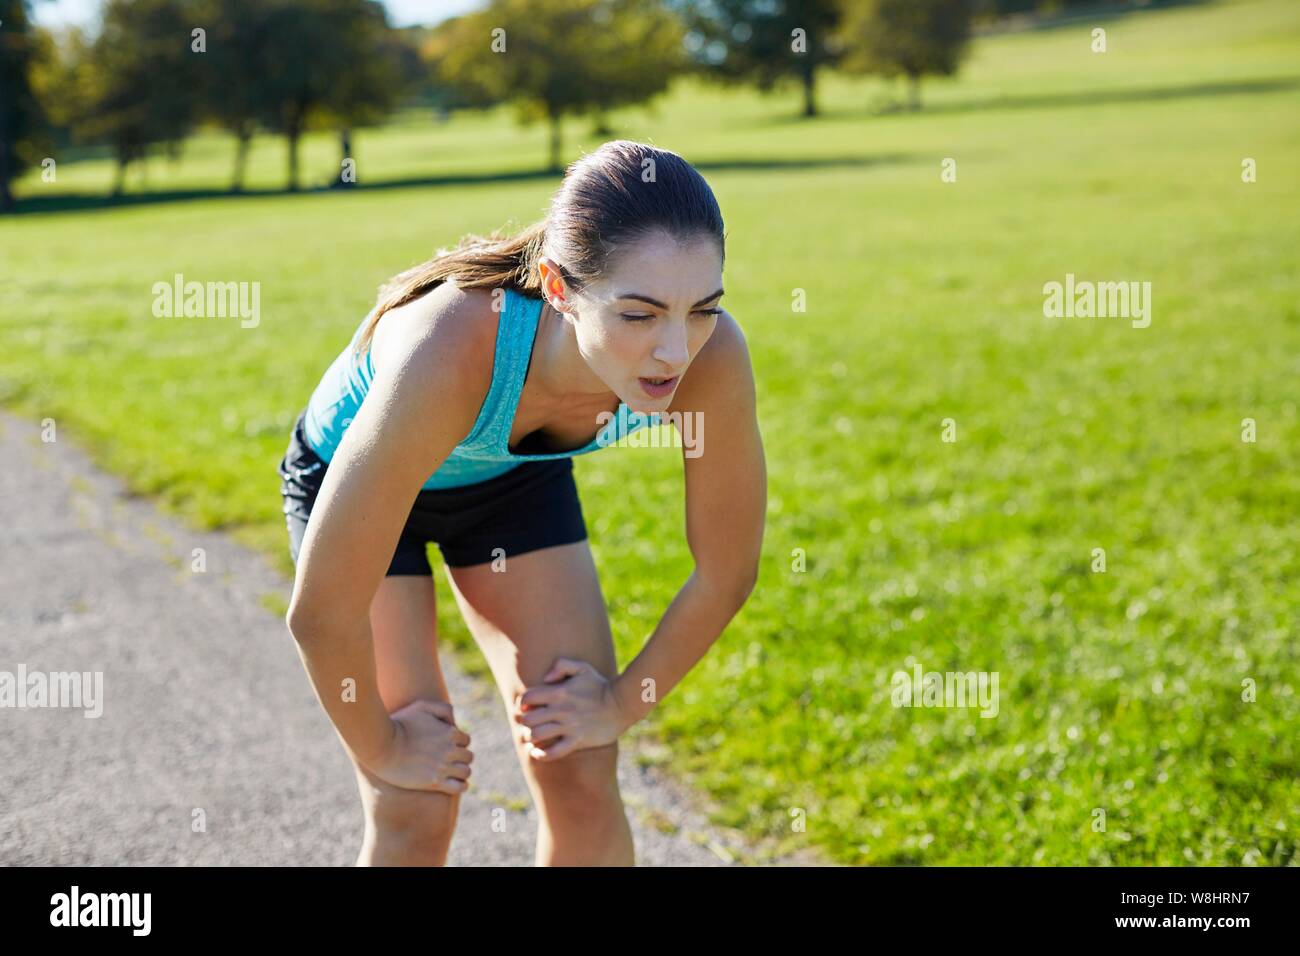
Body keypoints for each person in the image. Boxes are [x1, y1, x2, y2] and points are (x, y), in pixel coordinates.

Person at [278, 140, 766, 866]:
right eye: (638, 314)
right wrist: (384, 748)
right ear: (559, 287)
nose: (674, 351)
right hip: (363, 485)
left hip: (509, 483)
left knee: (578, 764)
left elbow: (726, 571)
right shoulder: (450, 344)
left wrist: (618, 704)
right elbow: (322, 615)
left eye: (701, 309)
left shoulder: (711, 357)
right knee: (417, 800)